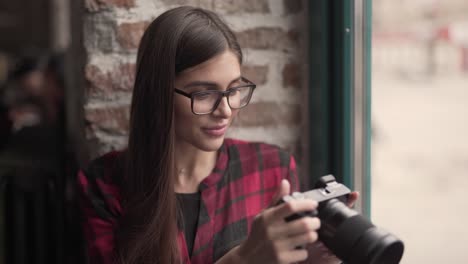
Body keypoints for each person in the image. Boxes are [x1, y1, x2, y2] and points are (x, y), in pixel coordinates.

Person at [77, 6, 358, 264]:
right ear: (159, 93)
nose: (224, 110)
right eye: (204, 93)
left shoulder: (272, 169)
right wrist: (243, 259)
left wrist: (316, 259)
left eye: (234, 90)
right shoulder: (104, 185)